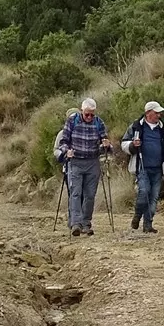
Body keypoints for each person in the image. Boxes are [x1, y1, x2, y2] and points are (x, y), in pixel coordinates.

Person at [122, 101, 164, 234]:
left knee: (154, 197)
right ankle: (137, 215)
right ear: (148, 113)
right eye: (156, 113)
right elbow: (124, 143)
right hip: (142, 167)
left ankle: (148, 224)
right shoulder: (136, 127)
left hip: (158, 168)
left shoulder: (163, 129)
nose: (159, 115)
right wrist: (133, 145)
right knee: (144, 192)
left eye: (159, 113)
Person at [60, 98, 112, 236]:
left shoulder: (98, 122)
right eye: (87, 114)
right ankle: (75, 224)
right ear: (81, 111)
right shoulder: (72, 121)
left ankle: (86, 223)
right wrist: (67, 151)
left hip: (92, 162)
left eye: (92, 114)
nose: (89, 117)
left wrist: (106, 145)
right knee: (76, 193)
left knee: (90, 195)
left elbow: (104, 143)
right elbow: (63, 141)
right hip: (75, 162)